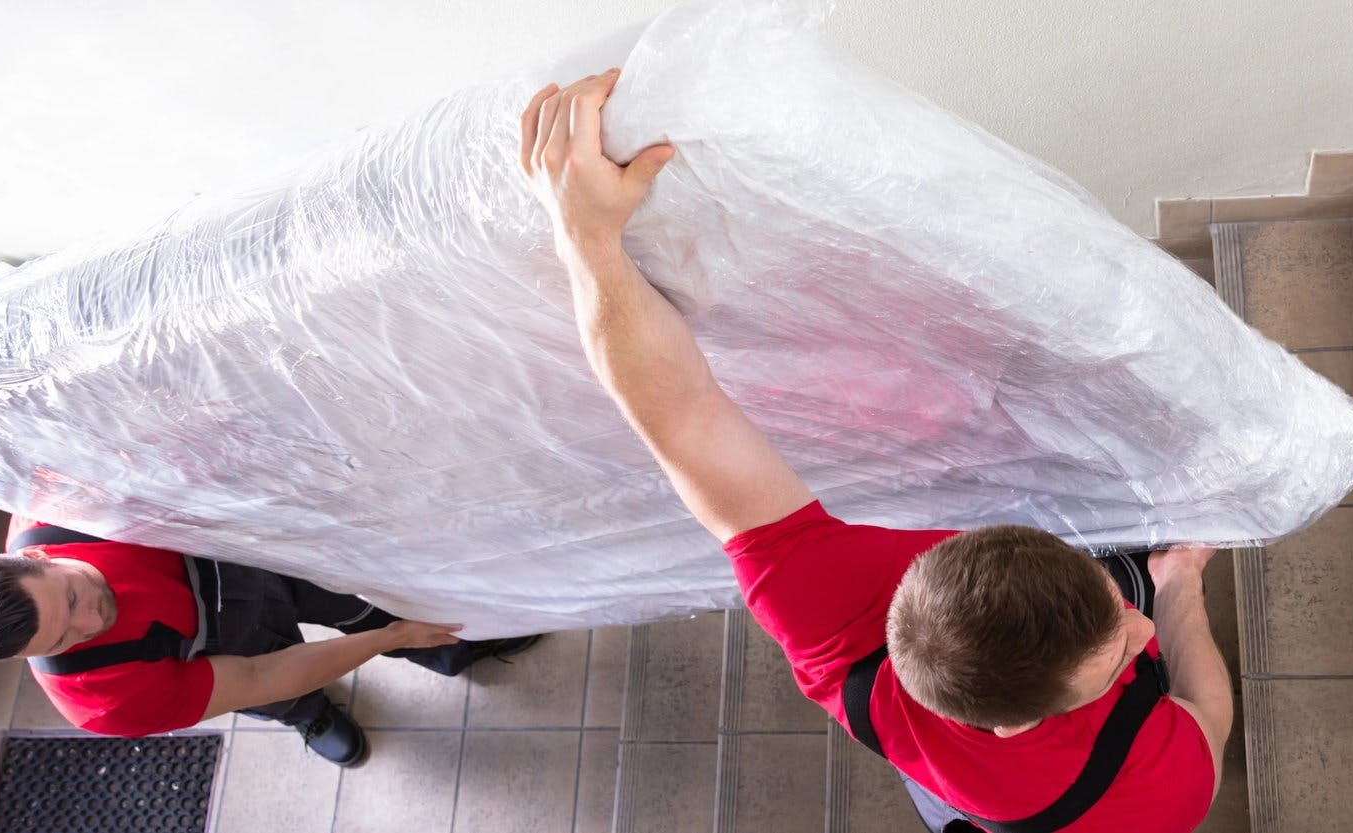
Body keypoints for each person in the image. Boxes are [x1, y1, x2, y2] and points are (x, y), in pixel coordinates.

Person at [516, 69, 1232, 832]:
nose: (1145, 631)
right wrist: (1175, 580)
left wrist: (586, 236)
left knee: (944, 793)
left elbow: (682, 414)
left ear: (984, 540)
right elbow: (1206, 713)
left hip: (961, 783)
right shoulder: (1154, 799)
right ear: (1016, 726)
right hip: (1023, 790)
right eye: (1122, 654)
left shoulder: (828, 615)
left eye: (1119, 617)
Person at [0, 515, 543, 766]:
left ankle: (449, 646)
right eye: (63, 638)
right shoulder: (105, 700)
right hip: (222, 657)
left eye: (71, 598)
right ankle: (311, 716)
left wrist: (389, 630)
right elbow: (258, 678)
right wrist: (385, 643)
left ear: (35, 553)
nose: (92, 623)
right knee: (281, 693)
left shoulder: (67, 503)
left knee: (362, 608)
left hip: (249, 556)